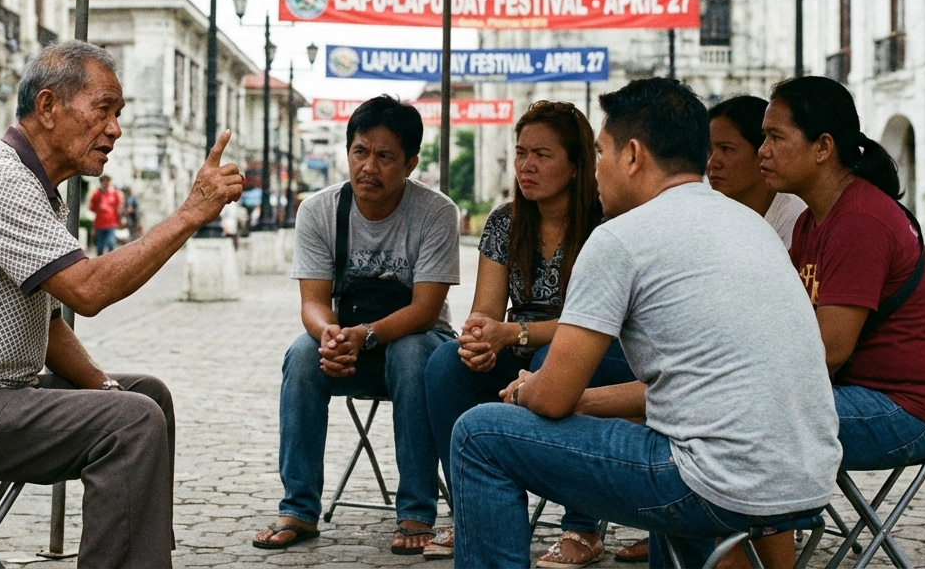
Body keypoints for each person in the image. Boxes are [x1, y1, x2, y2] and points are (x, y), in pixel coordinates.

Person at [0, 41, 243, 568]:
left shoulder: (33, 188)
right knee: (131, 422)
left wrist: (103, 387)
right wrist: (190, 213)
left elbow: (49, 325)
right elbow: (88, 292)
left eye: (119, 114)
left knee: (147, 399)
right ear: (48, 108)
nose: (115, 129)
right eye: (103, 110)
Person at [451, 78, 841, 569]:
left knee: (480, 433)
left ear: (632, 155)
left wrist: (526, 390)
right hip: (804, 480)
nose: (595, 172)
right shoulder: (750, 224)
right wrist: (585, 400)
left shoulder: (621, 238)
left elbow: (552, 397)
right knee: (664, 446)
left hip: (712, 482)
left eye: (600, 154)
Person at [422, 101, 637, 566]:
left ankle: (583, 527)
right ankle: (475, 514)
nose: (527, 165)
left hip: (596, 345)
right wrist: (479, 340)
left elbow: (600, 323)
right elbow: (485, 312)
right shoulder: (504, 221)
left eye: (542, 154)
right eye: (521, 152)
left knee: (553, 363)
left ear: (577, 165)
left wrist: (511, 334)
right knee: (444, 365)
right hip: (519, 341)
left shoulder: (605, 223)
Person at [753, 76, 925, 561]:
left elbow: (826, 352)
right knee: (707, 406)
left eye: (775, 137)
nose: (762, 151)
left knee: (743, 417)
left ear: (823, 147)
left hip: (904, 411)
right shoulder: (810, 219)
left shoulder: (860, 220)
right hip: (847, 395)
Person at [253, 95, 460, 555]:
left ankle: (416, 512)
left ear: (410, 163)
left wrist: (366, 335)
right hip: (348, 344)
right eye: (360, 152)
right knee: (303, 356)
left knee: (410, 354)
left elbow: (426, 309)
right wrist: (329, 334)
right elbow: (312, 302)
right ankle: (299, 509)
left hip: (419, 345)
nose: (369, 166)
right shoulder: (319, 210)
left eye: (385, 156)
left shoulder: (437, 212)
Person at [707, 96, 808, 249]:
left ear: (762, 151)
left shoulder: (794, 220)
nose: (711, 163)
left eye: (726, 149)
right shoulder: (706, 212)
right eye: (709, 151)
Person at [88, 174, 122, 256]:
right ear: (102, 182)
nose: (107, 184)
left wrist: (119, 220)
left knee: (111, 244)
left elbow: (118, 207)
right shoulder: (97, 193)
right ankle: (100, 262)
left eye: (108, 182)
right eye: (105, 182)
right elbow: (91, 207)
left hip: (111, 223)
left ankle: (111, 262)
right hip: (100, 223)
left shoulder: (114, 193)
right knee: (100, 246)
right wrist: (99, 208)